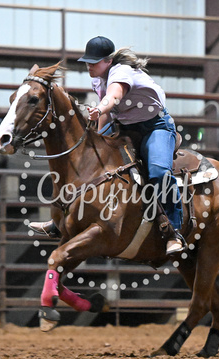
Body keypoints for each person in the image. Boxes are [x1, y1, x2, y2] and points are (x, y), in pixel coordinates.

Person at [30, 36, 184, 255]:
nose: (89, 66)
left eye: (94, 62)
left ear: (109, 61)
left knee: (159, 172)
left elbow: (113, 97)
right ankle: (60, 221)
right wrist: (97, 137)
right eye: (87, 62)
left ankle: (174, 231)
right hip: (124, 126)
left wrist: (100, 109)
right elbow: (108, 112)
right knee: (85, 161)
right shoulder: (97, 79)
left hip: (154, 127)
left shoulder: (121, 72)